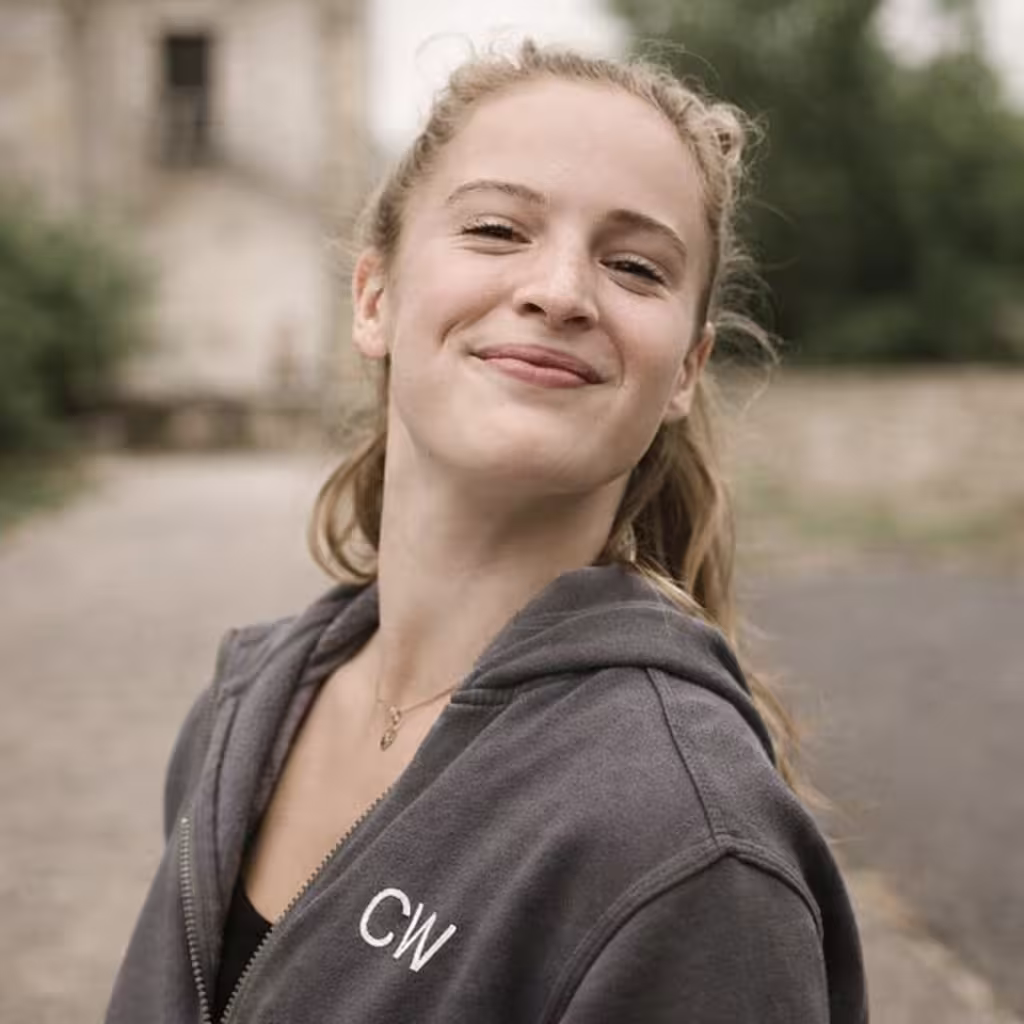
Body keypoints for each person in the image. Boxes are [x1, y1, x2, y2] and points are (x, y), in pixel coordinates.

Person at [106, 40, 868, 1024]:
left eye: (634, 266)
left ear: (684, 369)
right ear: (374, 298)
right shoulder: (241, 706)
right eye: (499, 229)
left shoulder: (689, 850)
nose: (560, 291)